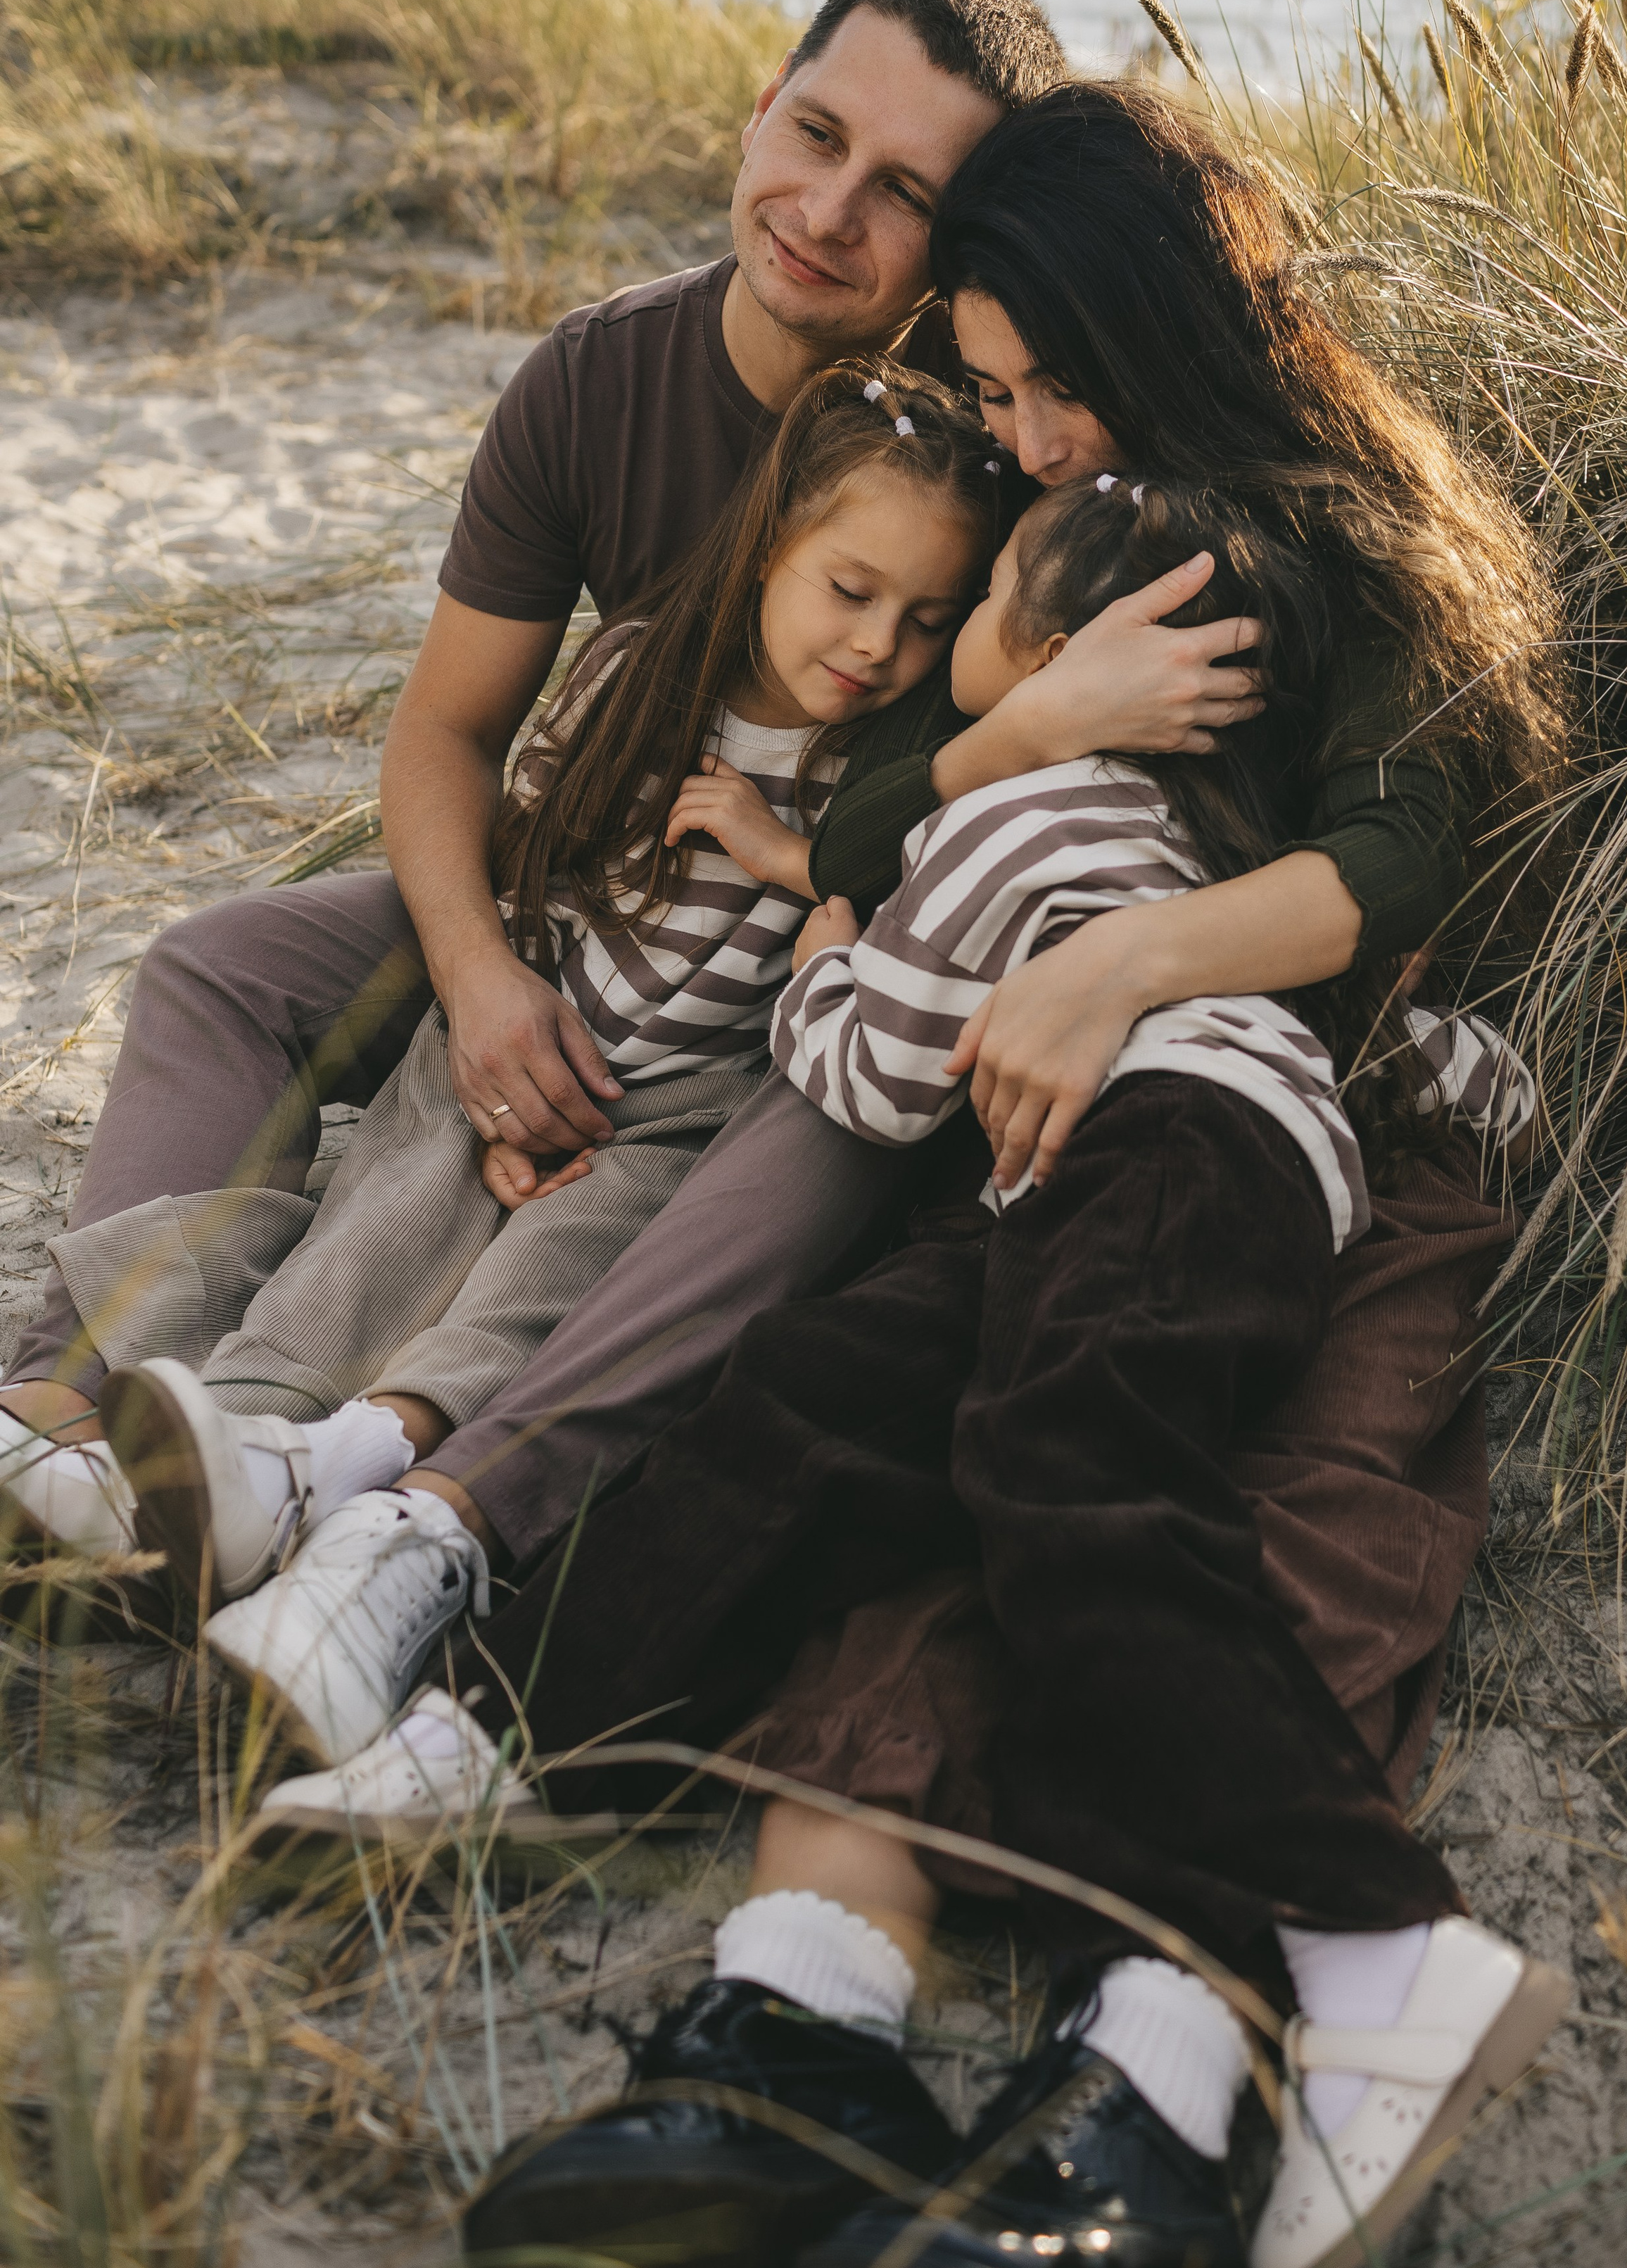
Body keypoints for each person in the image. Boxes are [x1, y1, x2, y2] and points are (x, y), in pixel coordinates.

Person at [261, 94, 1569, 2268]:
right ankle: (632, 1848)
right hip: (1041, 1133)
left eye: (1054, 378)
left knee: (1157, 1487)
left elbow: (1391, 869)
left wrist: (1101, 959)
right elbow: (870, 811)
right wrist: (1020, 724)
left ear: (1172, 325)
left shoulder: (1289, 553)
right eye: (989, 385)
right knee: (851, 1424)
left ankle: (1259, 2010)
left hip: (1261, 1113)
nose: (1027, 433)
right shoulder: (1050, 560)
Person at [1, 0, 1258, 1639]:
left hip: (808, 966)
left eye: (900, 195)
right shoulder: (599, 379)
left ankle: (449, 1490)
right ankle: (81, 1408)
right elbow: (447, 736)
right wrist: (484, 984)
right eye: (811, 134)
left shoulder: (993, 444)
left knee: (812, 1108)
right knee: (225, 961)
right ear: (758, 109)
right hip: (598, 897)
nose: (824, 209)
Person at [83, 366, 1011, 1764]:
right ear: (770, 546)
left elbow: (848, 946)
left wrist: (792, 856)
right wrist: (498, 1054)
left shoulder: (885, 765)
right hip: (540, 1020)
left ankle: (372, 1464)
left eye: (927, 618)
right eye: (849, 589)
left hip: (687, 1106)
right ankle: (231, 1450)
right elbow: (539, 871)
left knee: (541, 1278)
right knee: (390, 1212)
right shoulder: (638, 676)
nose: (879, 643)